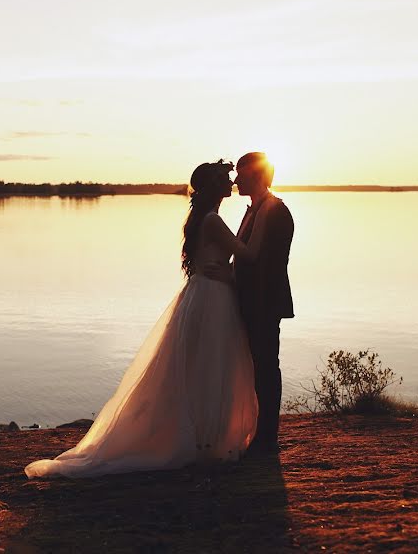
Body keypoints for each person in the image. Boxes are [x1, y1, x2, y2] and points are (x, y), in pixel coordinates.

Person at [25, 160, 274, 479]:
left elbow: (214, 260)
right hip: (213, 298)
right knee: (210, 367)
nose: (232, 182)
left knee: (202, 368)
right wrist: (260, 215)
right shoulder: (212, 220)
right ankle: (205, 441)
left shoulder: (203, 219)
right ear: (214, 186)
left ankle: (207, 438)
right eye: (226, 179)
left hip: (203, 295)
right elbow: (250, 254)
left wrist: (228, 267)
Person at [227, 152, 294, 454]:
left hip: (264, 303)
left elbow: (270, 263)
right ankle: (254, 429)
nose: (236, 180)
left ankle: (267, 436)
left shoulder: (276, 211)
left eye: (241, 174)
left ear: (256, 176)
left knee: (266, 366)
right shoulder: (254, 209)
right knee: (254, 367)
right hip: (247, 302)